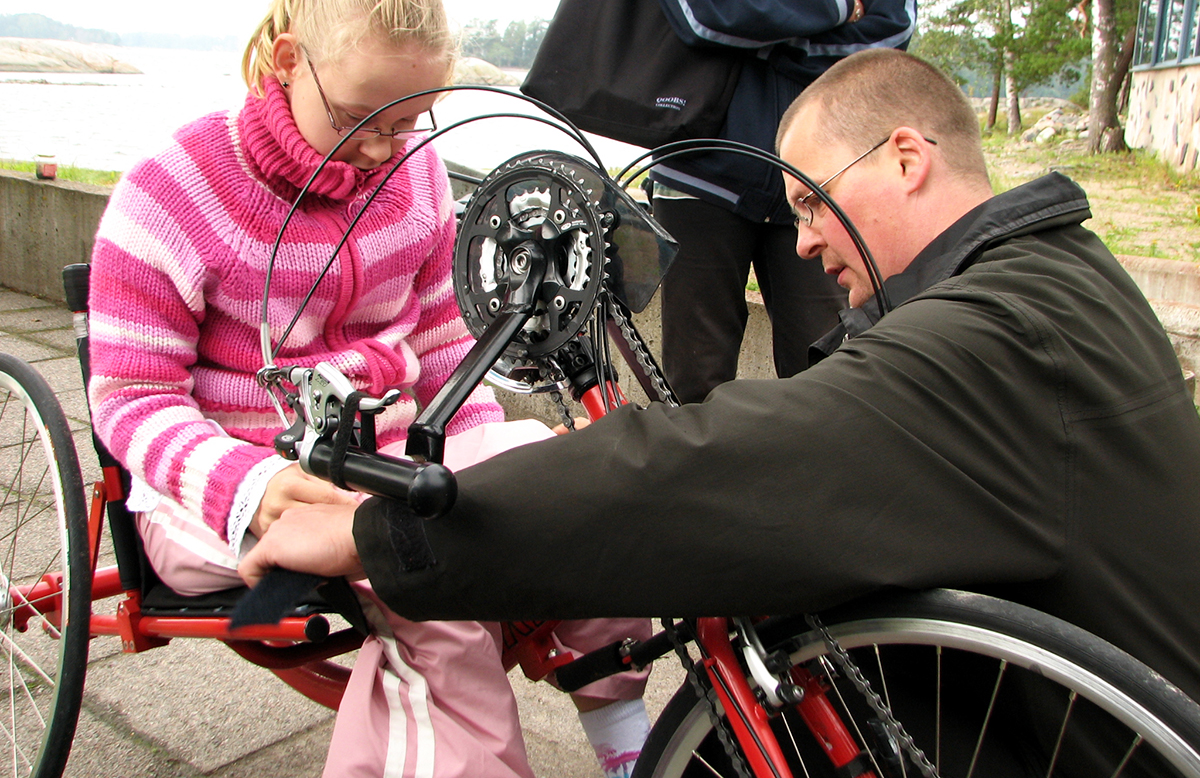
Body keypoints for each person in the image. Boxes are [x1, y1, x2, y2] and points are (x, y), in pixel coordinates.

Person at [240, 46, 1200, 729]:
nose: (808, 240)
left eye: (814, 203)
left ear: (908, 159)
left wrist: (376, 534)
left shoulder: (996, 339)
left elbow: (703, 468)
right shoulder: (1064, 270)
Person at [86, 1, 651, 776]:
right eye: (365, 118)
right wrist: (255, 485)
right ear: (288, 62)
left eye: (412, 120)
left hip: (380, 454)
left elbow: (445, 342)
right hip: (217, 488)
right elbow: (130, 399)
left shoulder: (411, 170)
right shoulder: (170, 193)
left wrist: (485, 454)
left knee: (572, 484)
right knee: (414, 563)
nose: (389, 148)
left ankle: (628, 743)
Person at [650, 0, 914, 404]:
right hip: (698, 171)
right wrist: (845, 8)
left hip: (822, 181)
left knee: (830, 374)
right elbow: (701, 15)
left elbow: (890, 33)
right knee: (691, 388)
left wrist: (756, 37)